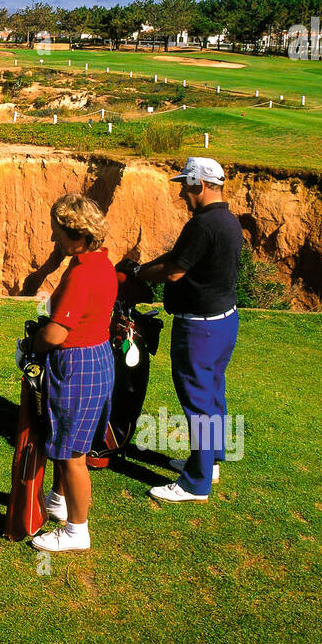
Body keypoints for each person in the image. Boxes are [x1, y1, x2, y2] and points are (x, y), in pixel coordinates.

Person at [129, 157, 242, 503]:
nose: (181, 194)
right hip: (224, 322)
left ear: (200, 184)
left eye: (185, 186)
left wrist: (136, 274)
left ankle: (196, 483)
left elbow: (175, 271)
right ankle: (211, 461)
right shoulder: (227, 220)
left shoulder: (202, 225)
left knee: (198, 403)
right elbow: (182, 257)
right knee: (212, 394)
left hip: (199, 330)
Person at [24, 193, 118, 552]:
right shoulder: (101, 262)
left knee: (71, 454)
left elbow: (56, 333)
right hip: (97, 358)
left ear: (77, 233)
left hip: (76, 364)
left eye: (58, 233)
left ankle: (76, 531)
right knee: (71, 441)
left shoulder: (82, 272)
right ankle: (59, 502)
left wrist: (30, 346)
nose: (54, 240)